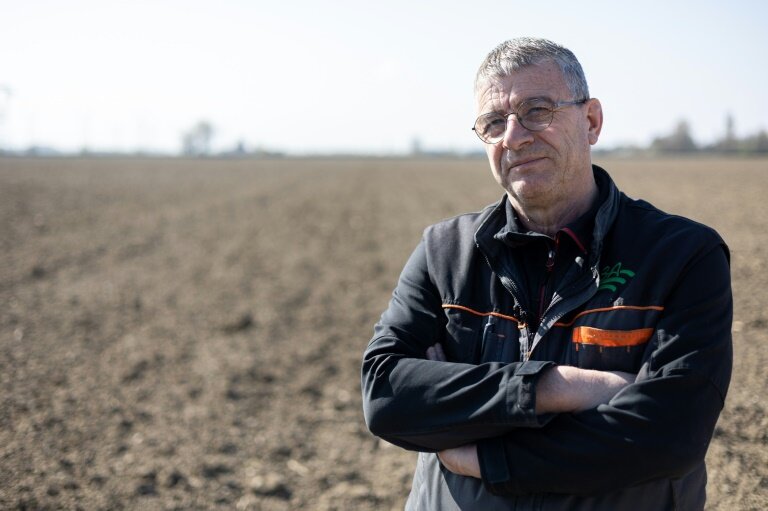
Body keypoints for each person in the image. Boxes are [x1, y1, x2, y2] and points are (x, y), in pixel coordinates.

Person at [361, 37, 732, 510]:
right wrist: (556, 388)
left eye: (537, 111)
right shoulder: (443, 253)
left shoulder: (681, 256)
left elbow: (669, 434)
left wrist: (480, 450)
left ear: (591, 121)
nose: (513, 137)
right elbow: (386, 396)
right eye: (494, 123)